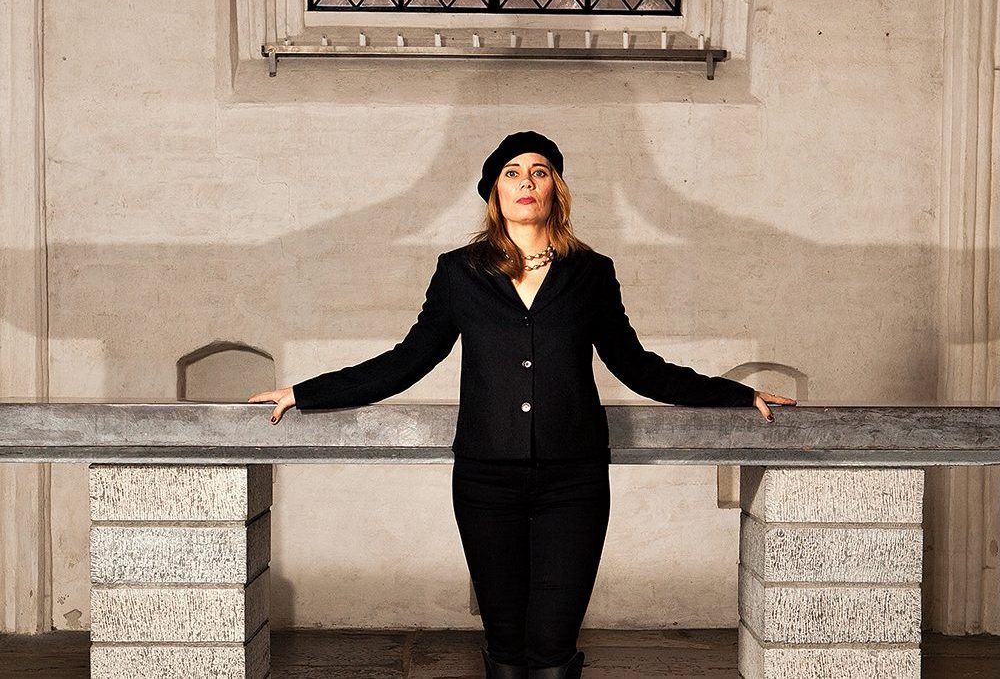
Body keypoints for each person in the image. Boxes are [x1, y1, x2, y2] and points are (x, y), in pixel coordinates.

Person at [249, 130, 795, 679]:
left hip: (574, 479)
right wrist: (305, 392)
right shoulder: (459, 272)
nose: (525, 182)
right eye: (512, 172)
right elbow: (405, 361)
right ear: (494, 192)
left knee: (554, 645)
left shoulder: (591, 272)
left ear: (555, 187)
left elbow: (638, 366)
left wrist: (735, 393)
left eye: (538, 171)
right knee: (506, 646)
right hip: (486, 479)